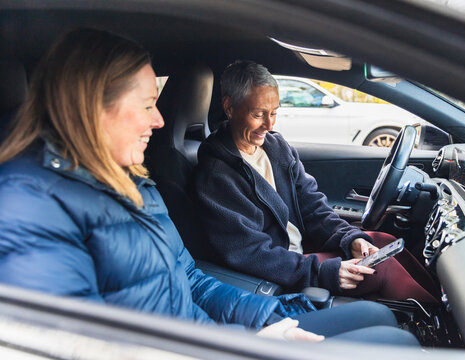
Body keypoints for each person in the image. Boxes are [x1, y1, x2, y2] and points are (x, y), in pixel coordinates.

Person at [0, 28, 419, 346]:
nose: (160, 120)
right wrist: (239, 347)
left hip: (210, 335)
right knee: (398, 343)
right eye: (148, 105)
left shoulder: (134, 186)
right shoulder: (28, 205)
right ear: (94, 107)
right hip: (201, 347)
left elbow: (192, 280)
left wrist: (268, 319)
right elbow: (76, 346)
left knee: (382, 322)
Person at [193, 60, 439, 303]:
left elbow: (313, 207)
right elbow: (250, 253)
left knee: (382, 243)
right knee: (382, 269)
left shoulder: (276, 147)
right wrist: (322, 273)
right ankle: (444, 331)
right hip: (282, 272)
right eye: (258, 114)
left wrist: (349, 238)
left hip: (300, 254)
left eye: (274, 113)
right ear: (229, 107)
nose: (269, 125)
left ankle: (441, 310)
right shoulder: (216, 174)